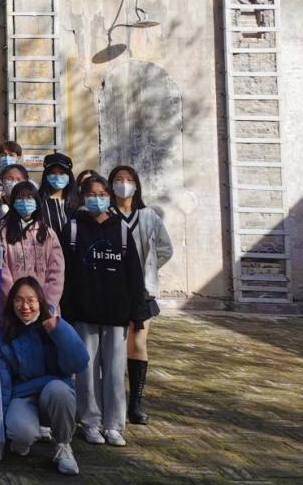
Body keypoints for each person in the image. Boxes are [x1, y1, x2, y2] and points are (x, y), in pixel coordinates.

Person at [59, 176, 149, 447]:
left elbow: (133, 274)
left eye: (101, 194)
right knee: (86, 371)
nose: (97, 199)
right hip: (83, 313)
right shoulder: (73, 228)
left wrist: (137, 312)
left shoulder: (120, 229)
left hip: (116, 314)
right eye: (91, 194)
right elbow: (65, 273)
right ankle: (90, 422)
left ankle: (114, 424)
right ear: (82, 197)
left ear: (109, 196)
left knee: (114, 372)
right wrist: (67, 310)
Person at [0, 277, 88, 476]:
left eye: (31, 300)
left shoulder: (54, 325)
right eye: (19, 300)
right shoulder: (4, 332)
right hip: (22, 396)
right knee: (20, 433)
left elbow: (78, 363)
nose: (25, 306)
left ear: (40, 301)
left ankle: (63, 446)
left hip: (53, 393)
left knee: (59, 390)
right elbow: (3, 383)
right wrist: (1, 428)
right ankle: (23, 436)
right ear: (11, 303)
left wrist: (60, 330)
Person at [109, 164, 174, 425]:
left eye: (128, 179)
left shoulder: (148, 216)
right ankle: (113, 400)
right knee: (113, 347)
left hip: (141, 292)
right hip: (111, 289)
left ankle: (136, 403)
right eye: (118, 179)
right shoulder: (106, 214)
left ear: (136, 185)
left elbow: (165, 249)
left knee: (137, 345)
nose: (123, 184)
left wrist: (148, 270)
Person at [0, 181, 65, 312]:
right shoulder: (3, 233)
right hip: (12, 307)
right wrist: (16, 300)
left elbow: (56, 271)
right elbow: (0, 270)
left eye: (29, 197)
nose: (25, 202)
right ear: (12, 202)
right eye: (20, 198)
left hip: (44, 308)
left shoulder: (48, 233)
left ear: (37, 202)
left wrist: (47, 303)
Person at [39, 153, 79, 236]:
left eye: (62, 173)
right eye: (53, 173)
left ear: (69, 176)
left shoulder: (78, 201)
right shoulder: (39, 202)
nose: (57, 177)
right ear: (46, 176)